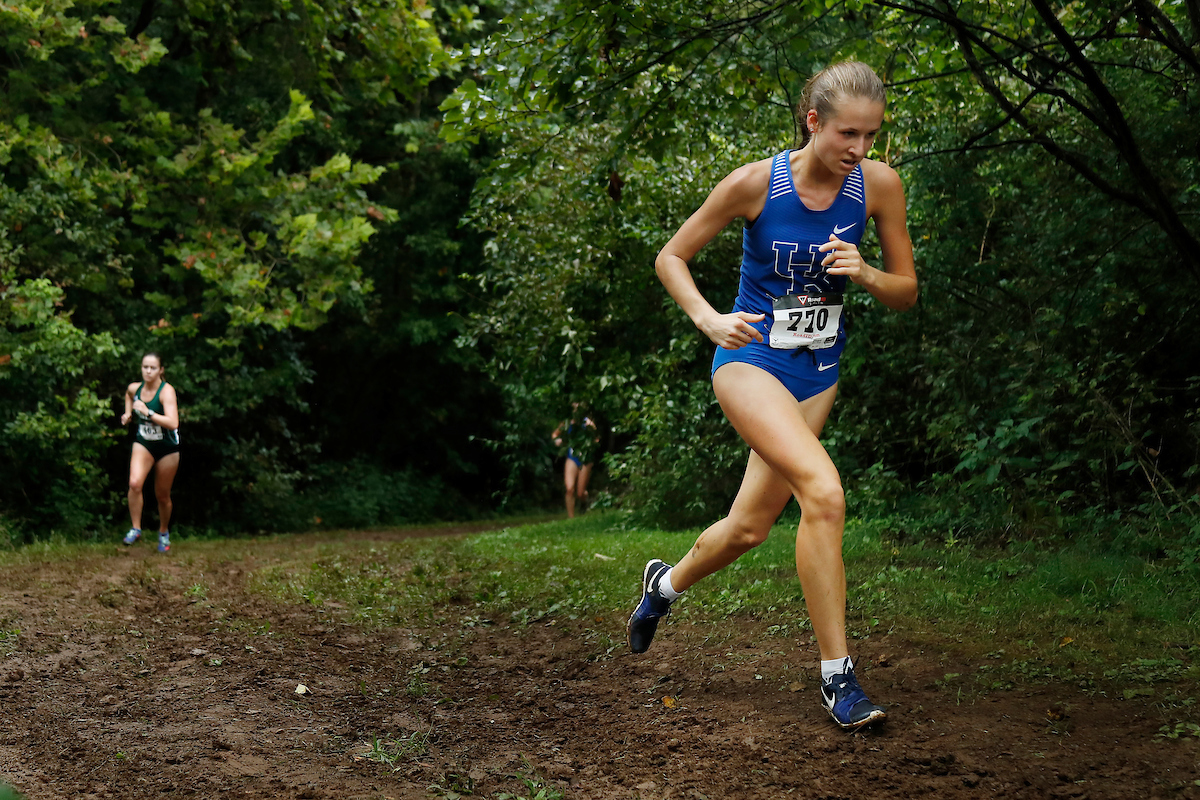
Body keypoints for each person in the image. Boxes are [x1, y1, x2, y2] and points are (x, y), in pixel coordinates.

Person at [625, 61, 917, 731]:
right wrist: (708, 319)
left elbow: (906, 291)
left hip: (818, 373)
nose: (860, 149)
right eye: (848, 134)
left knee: (749, 528)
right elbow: (672, 256)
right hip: (750, 361)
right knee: (825, 493)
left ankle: (663, 585)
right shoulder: (756, 184)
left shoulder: (879, 186)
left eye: (871, 135)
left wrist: (866, 273)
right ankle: (839, 679)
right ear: (813, 122)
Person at [120, 352, 181, 553]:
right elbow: (128, 395)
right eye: (145, 367)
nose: (148, 371)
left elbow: (173, 422)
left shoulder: (166, 392)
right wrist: (128, 413)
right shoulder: (135, 388)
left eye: (153, 368)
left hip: (167, 448)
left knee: (162, 495)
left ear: (161, 370)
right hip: (144, 443)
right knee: (134, 483)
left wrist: (149, 413)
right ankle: (136, 528)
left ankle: (163, 532)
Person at [551, 402, 599, 518]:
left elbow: (596, 439)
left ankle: (584, 502)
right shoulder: (567, 423)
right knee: (569, 489)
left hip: (585, 459)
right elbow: (555, 434)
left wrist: (590, 445)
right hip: (572, 457)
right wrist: (557, 440)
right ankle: (571, 517)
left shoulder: (588, 423)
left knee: (580, 492)